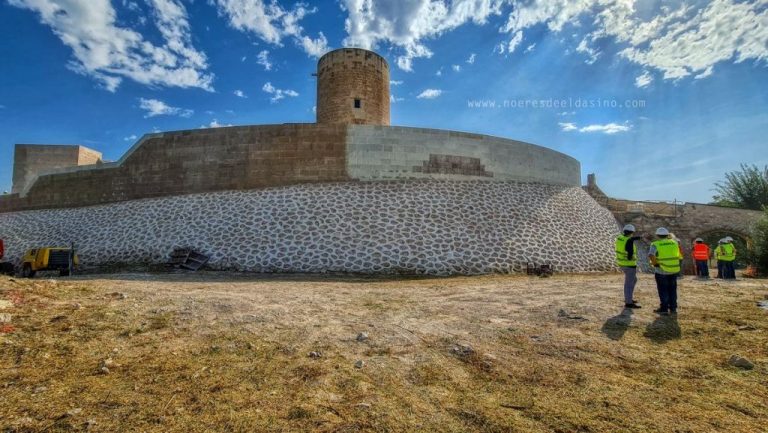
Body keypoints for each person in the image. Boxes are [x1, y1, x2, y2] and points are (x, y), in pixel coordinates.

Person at [648, 227, 682, 315]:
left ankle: (664, 308)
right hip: (673, 270)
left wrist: (655, 264)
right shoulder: (674, 243)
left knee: (663, 290)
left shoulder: (655, 244)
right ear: (667, 235)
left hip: (661, 271)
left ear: (657, 235)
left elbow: (651, 255)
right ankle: (673, 308)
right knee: (672, 289)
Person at [615, 224, 641, 308]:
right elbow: (630, 255)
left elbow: (628, 239)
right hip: (629, 265)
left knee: (634, 280)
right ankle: (628, 302)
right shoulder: (629, 241)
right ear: (632, 232)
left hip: (621, 263)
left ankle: (628, 297)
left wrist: (636, 238)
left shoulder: (620, 238)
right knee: (629, 283)